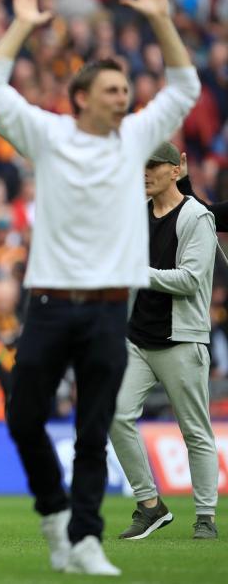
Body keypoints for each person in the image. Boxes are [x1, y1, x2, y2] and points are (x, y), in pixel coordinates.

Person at [0, 0, 200, 576]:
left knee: (95, 429)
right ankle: (54, 517)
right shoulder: (47, 136)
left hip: (106, 309)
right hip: (47, 305)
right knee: (23, 419)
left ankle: (87, 537)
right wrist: (22, 24)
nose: (123, 97)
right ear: (80, 98)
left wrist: (159, 18)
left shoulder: (136, 140)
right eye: (111, 89)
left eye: (126, 88)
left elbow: (184, 85)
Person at [109, 143, 219, 541]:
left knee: (195, 431)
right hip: (138, 337)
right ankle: (150, 505)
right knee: (115, 414)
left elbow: (190, 280)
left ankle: (205, 516)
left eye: (154, 166)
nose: (145, 173)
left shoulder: (196, 217)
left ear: (175, 171)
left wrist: (140, 272)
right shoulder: (137, 215)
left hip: (181, 339)